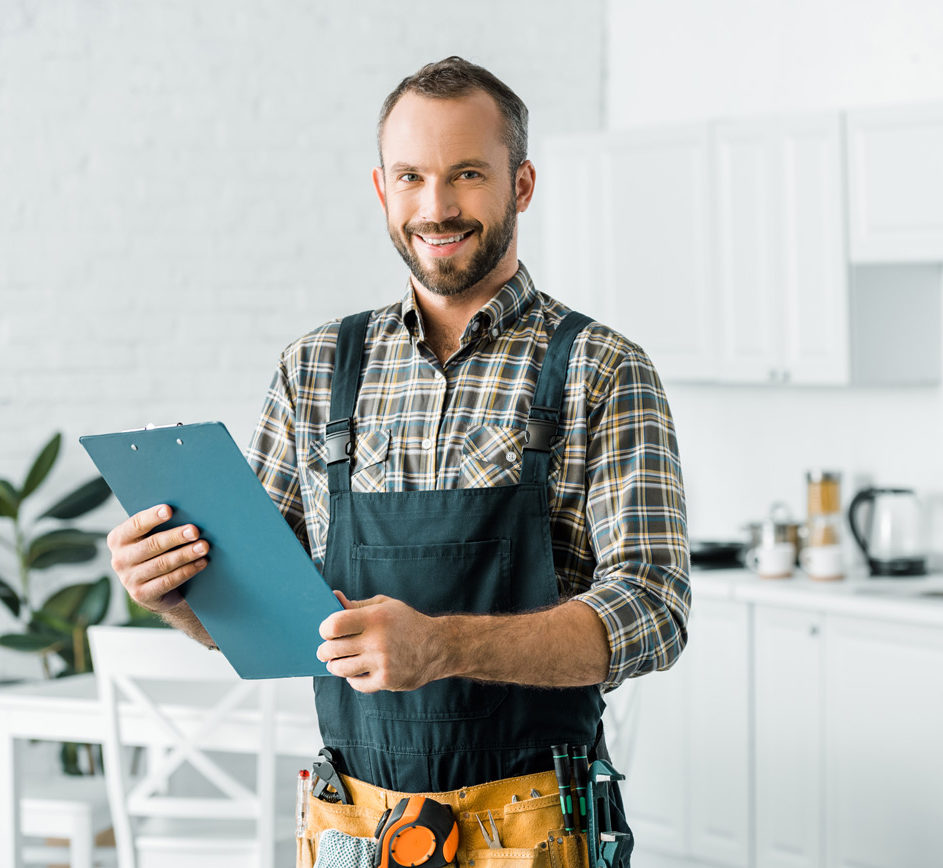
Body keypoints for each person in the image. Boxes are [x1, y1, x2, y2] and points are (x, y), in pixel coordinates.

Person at [105, 56, 689, 868]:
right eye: (410, 177)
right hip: (353, 827)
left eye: (467, 174)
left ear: (521, 185)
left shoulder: (600, 368)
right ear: (382, 189)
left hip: (536, 830)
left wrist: (444, 645)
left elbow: (655, 611)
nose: (436, 207)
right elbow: (261, 616)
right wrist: (171, 590)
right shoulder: (313, 369)